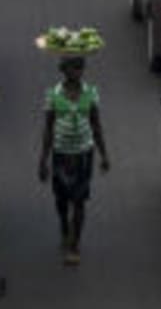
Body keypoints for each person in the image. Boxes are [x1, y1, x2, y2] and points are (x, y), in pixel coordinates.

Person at [39, 54, 109, 264]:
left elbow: (96, 125)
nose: (77, 71)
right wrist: (43, 160)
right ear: (63, 70)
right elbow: (48, 129)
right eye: (73, 67)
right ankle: (64, 226)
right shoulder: (53, 95)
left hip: (83, 155)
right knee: (61, 200)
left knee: (79, 201)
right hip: (60, 155)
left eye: (80, 67)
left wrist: (104, 155)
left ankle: (74, 246)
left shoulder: (91, 93)